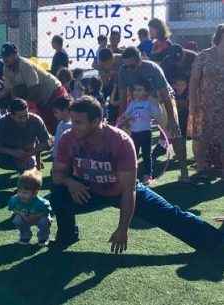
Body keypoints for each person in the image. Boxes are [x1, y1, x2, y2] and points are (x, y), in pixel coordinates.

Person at [50, 96, 224, 253]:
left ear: (96, 121)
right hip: (90, 189)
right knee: (57, 194)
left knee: (170, 214)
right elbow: (57, 174)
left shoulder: (120, 141)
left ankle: (215, 242)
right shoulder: (68, 137)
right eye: (72, 121)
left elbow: (128, 190)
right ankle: (67, 234)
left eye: (78, 122)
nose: (73, 127)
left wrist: (123, 228)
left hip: (121, 190)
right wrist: (69, 182)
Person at [118, 47, 189, 182]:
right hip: (138, 100)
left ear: (140, 60)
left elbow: (165, 95)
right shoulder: (123, 70)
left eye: (132, 66)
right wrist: (123, 118)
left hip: (160, 99)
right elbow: (122, 96)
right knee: (126, 135)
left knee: (174, 133)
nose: (129, 69)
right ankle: (128, 173)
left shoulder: (152, 68)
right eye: (126, 66)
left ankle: (184, 171)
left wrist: (172, 120)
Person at [0, 42, 67, 134]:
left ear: (15, 54)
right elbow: (13, 89)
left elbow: (34, 88)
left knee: (58, 124)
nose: (5, 59)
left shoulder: (25, 65)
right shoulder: (6, 68)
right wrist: (16, 105)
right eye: (3, 56)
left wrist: (25, 105)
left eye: (8, 55)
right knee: (46, 127)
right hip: (40, 97)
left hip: (54, 92)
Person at [188, 24, 224, 179]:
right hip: (204, 105)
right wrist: (193, 104)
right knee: (203, 136)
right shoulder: (203, 55)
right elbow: (194, 81)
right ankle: (202, 167)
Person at [117, 79, 161, 185]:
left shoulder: (149, 103)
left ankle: (147, 175)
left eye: (140, 90)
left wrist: (154, 103)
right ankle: (132, 175)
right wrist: (125, 119)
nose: (136, 92)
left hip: (146, 132)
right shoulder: (133, 103)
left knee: (146, 155)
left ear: (146, 91)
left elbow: (157, 114)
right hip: (134, 133)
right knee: (133, 154)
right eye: (135, 90)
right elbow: (125, 115)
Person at [8, 169, 52, 246]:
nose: (21, 194)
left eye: (25, 192)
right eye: (19, 191)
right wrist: (21, 214)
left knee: (45, 221)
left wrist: (35, 216)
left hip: (39, 217)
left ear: (35, 193)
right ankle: (25, 236)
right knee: (17, 220)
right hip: (24, 216)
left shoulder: (42, 203)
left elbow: (46, 212)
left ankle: (43, 237)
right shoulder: (14, 199)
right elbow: (13, 209)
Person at [51, 96, 73, 162]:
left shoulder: (70, 127)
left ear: (65, 111)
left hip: (63, 162)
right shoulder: (61, 123)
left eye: (56, 112)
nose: (54, 115)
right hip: (57, 159)